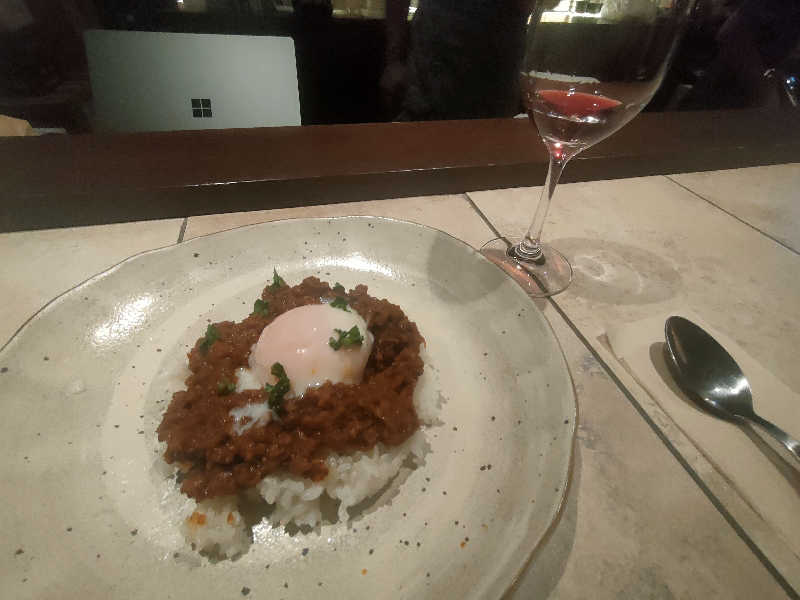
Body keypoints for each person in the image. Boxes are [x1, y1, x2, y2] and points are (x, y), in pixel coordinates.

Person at [382, 0, 557, 121]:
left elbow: (531, 6)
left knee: (492, 142)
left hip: (498, 68)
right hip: (433, 61)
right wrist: (394, 60)